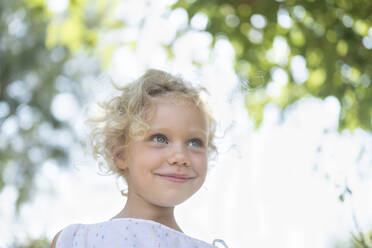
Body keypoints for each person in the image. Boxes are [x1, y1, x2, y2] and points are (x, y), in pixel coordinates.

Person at [51, 69, 229, 248]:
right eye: (160, 138)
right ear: (120, 154)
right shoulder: (76, 241)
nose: (181, 157)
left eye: (194, 142)